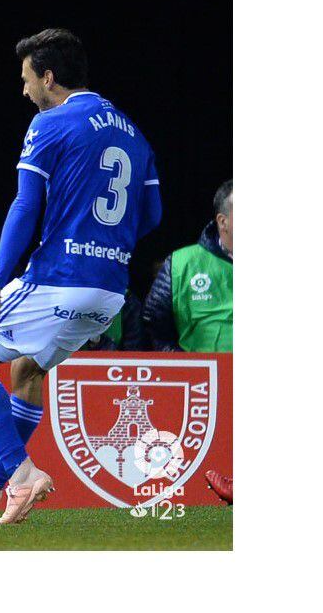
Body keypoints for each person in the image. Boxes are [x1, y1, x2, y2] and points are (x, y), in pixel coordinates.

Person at [0, 29, 162, 524]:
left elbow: (26, 203)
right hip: (109, 290)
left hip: (60, 275)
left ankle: (21, 474)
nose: (24, 91)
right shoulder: (133, 131)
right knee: (27, 372)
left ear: (49, 77)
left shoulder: (50, 122)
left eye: (27, 79)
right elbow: (151, 214)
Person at [144, 180, 232, 503]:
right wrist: (180, 364)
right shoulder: (182, 263)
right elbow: (154, 320)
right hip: (205, 392)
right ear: (223, 221)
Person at [143, 180, 232, 352]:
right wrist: (183, 366)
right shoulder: (181, 263)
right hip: (206, 376)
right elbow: (154, 327)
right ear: (223, 222)